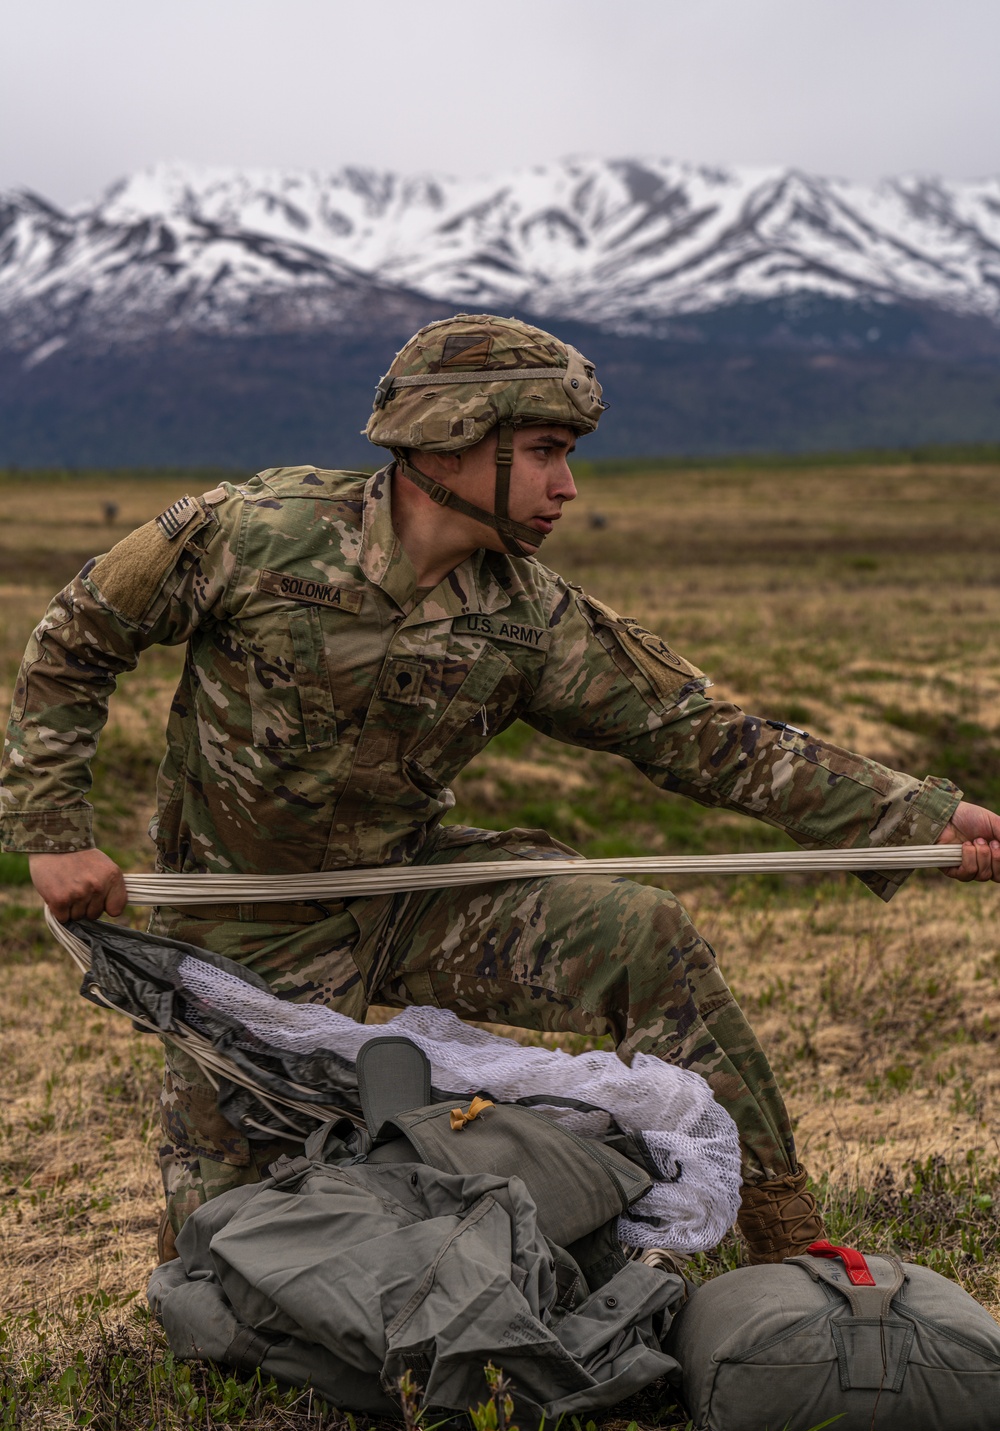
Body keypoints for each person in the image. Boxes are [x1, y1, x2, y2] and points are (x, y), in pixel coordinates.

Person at [3, 314, 999, 1267]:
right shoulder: (252, 537)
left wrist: (916, 818)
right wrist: (54, 833)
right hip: (243, 929)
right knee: (221, 1252)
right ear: (450, 437)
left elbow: (703, 740)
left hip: (411, 894)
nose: (567, 487)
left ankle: (791, 1243)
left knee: (643, 935)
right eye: (547, 450)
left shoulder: (533, 616)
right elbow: (73, 643)